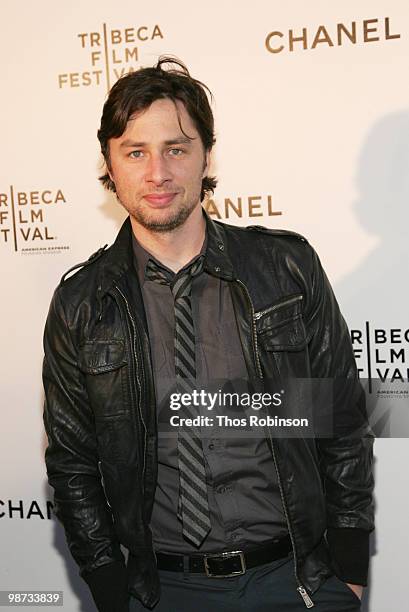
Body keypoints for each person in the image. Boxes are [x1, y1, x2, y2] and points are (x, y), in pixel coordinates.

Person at [43, 57, 374, 612]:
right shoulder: (82, 304)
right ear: (110, 162)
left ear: (205, 156)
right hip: (162, 592)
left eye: (176, 148)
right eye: (136, 152)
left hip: (297, 581)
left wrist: (348, 567)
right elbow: (73, 465)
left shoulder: (283, 269)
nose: (158, 173)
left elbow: (340, 421)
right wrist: (109, 591)